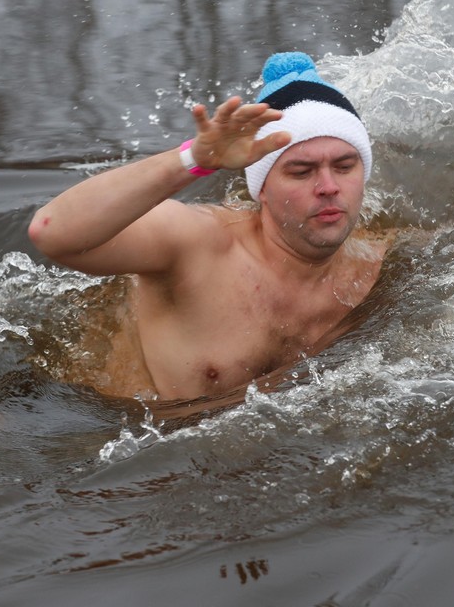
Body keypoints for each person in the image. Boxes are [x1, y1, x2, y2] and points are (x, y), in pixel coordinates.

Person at [27, 52, 389, 402]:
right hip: (125, 437)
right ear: (261, 189)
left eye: (344, 167)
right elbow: (52, 232)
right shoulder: (197, 244)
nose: (328, 186)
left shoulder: (380, 266)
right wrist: (193, 160)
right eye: (301, 171)